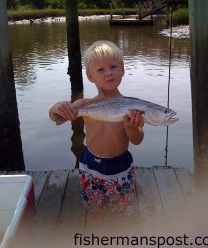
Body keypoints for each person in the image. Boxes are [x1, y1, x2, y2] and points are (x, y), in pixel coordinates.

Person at [49, 41, 144, 215]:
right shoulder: (85, 104)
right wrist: (55, 107)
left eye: (113, 66)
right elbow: (56, 117)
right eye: (100, 69)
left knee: (122, 212)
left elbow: (137, 140)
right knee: (94, 209)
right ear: (90, 76)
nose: (108, 73)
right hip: (89, 164)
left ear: (122, 69)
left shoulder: (131, 106)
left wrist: (131, 128)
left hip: (120, 166)